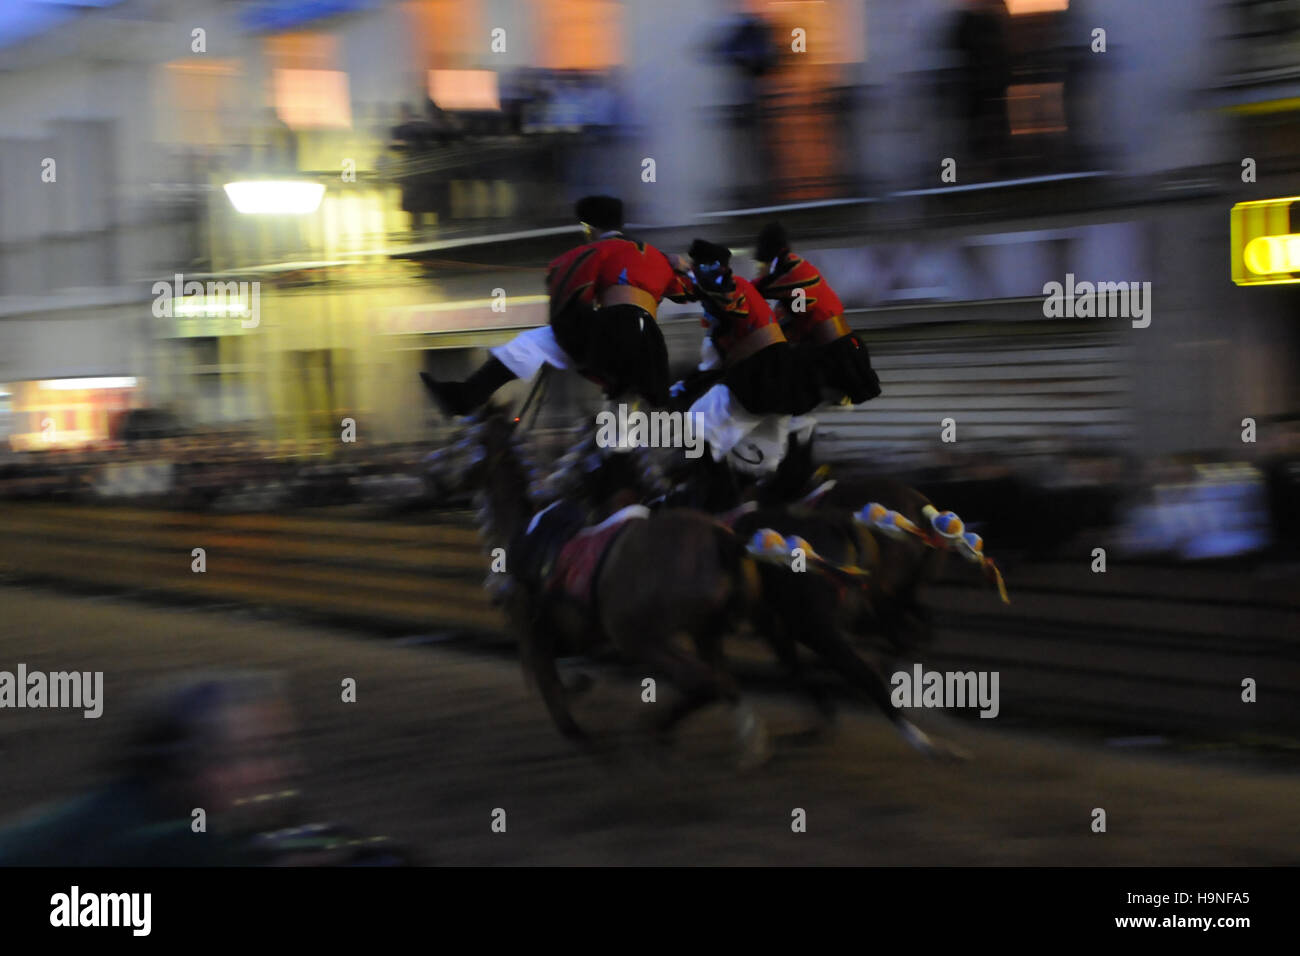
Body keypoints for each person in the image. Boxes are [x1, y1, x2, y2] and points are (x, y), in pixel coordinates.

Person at [422, 196, 687, 416]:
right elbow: (685, 290)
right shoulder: (655, 256)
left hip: (614, 331)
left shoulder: (595, 251)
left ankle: (464, 398)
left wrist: (568, 327)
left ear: (589, 228)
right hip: (649, 343)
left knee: (531, 344)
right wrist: (680, 264)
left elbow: (567, 287)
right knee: (626, 411)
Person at [0, 672, 296, 866]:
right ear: (187, 761)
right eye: (253, 754)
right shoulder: (163, 843)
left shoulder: (141, 807)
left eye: (278, 751)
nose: (276, 771)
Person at [669, 239, 824, 509]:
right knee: (759, 454)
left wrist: (685, 270)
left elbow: (723, 296)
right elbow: (714, 364)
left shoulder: (734, 287)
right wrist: (687, 384)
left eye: (696, 267)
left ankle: (719, 500)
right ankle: (770, 496)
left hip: (761, 372)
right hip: (772, 373)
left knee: (696, 424)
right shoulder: (725, 301)